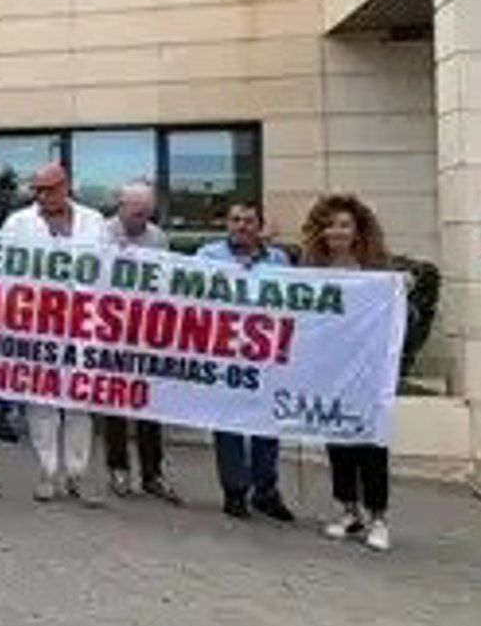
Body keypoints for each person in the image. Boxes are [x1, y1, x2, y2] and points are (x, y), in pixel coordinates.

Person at [3, 162, 104, 505]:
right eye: (38, 190)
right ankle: (47, 469)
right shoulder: (18, 224)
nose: (43, 196)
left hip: (84, 322)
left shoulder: (94, 221)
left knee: (80, 399)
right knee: (41, 401)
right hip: (37, 323)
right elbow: (4, 274)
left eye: (50, 189)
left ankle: (77, 472)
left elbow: (107, 271)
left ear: (66, 186)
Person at [302, 194, 396, 553]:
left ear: (358, 231)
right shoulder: (311, 267)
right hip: (329, 369)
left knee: (371, 442)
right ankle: (348, 509)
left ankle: (379, 517)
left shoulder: (376, 269)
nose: (336, 231)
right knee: (338, 440)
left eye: (344, 225)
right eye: (330, 225)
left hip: (368, 371)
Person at [196, 202, 297, 524]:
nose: (241, 226)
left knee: (267, 425)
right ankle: (235, 492)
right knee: (229, 425)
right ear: (227, 224)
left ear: (260, 226)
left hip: (266, 356)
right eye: (235, 219)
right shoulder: (207, 256)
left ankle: (266, 491)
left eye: (249, 221)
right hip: (224, 353)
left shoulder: (279, 260)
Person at [101, 181, 180, 504]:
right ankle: (118, 468)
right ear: (120, 207)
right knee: (114, 406)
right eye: (135, 214)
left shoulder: (158, 238)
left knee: (150, 405)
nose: (140, 221)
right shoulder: (101, 234)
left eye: (146, 215)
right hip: (110, 330)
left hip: (147, 332)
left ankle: (152, 473)